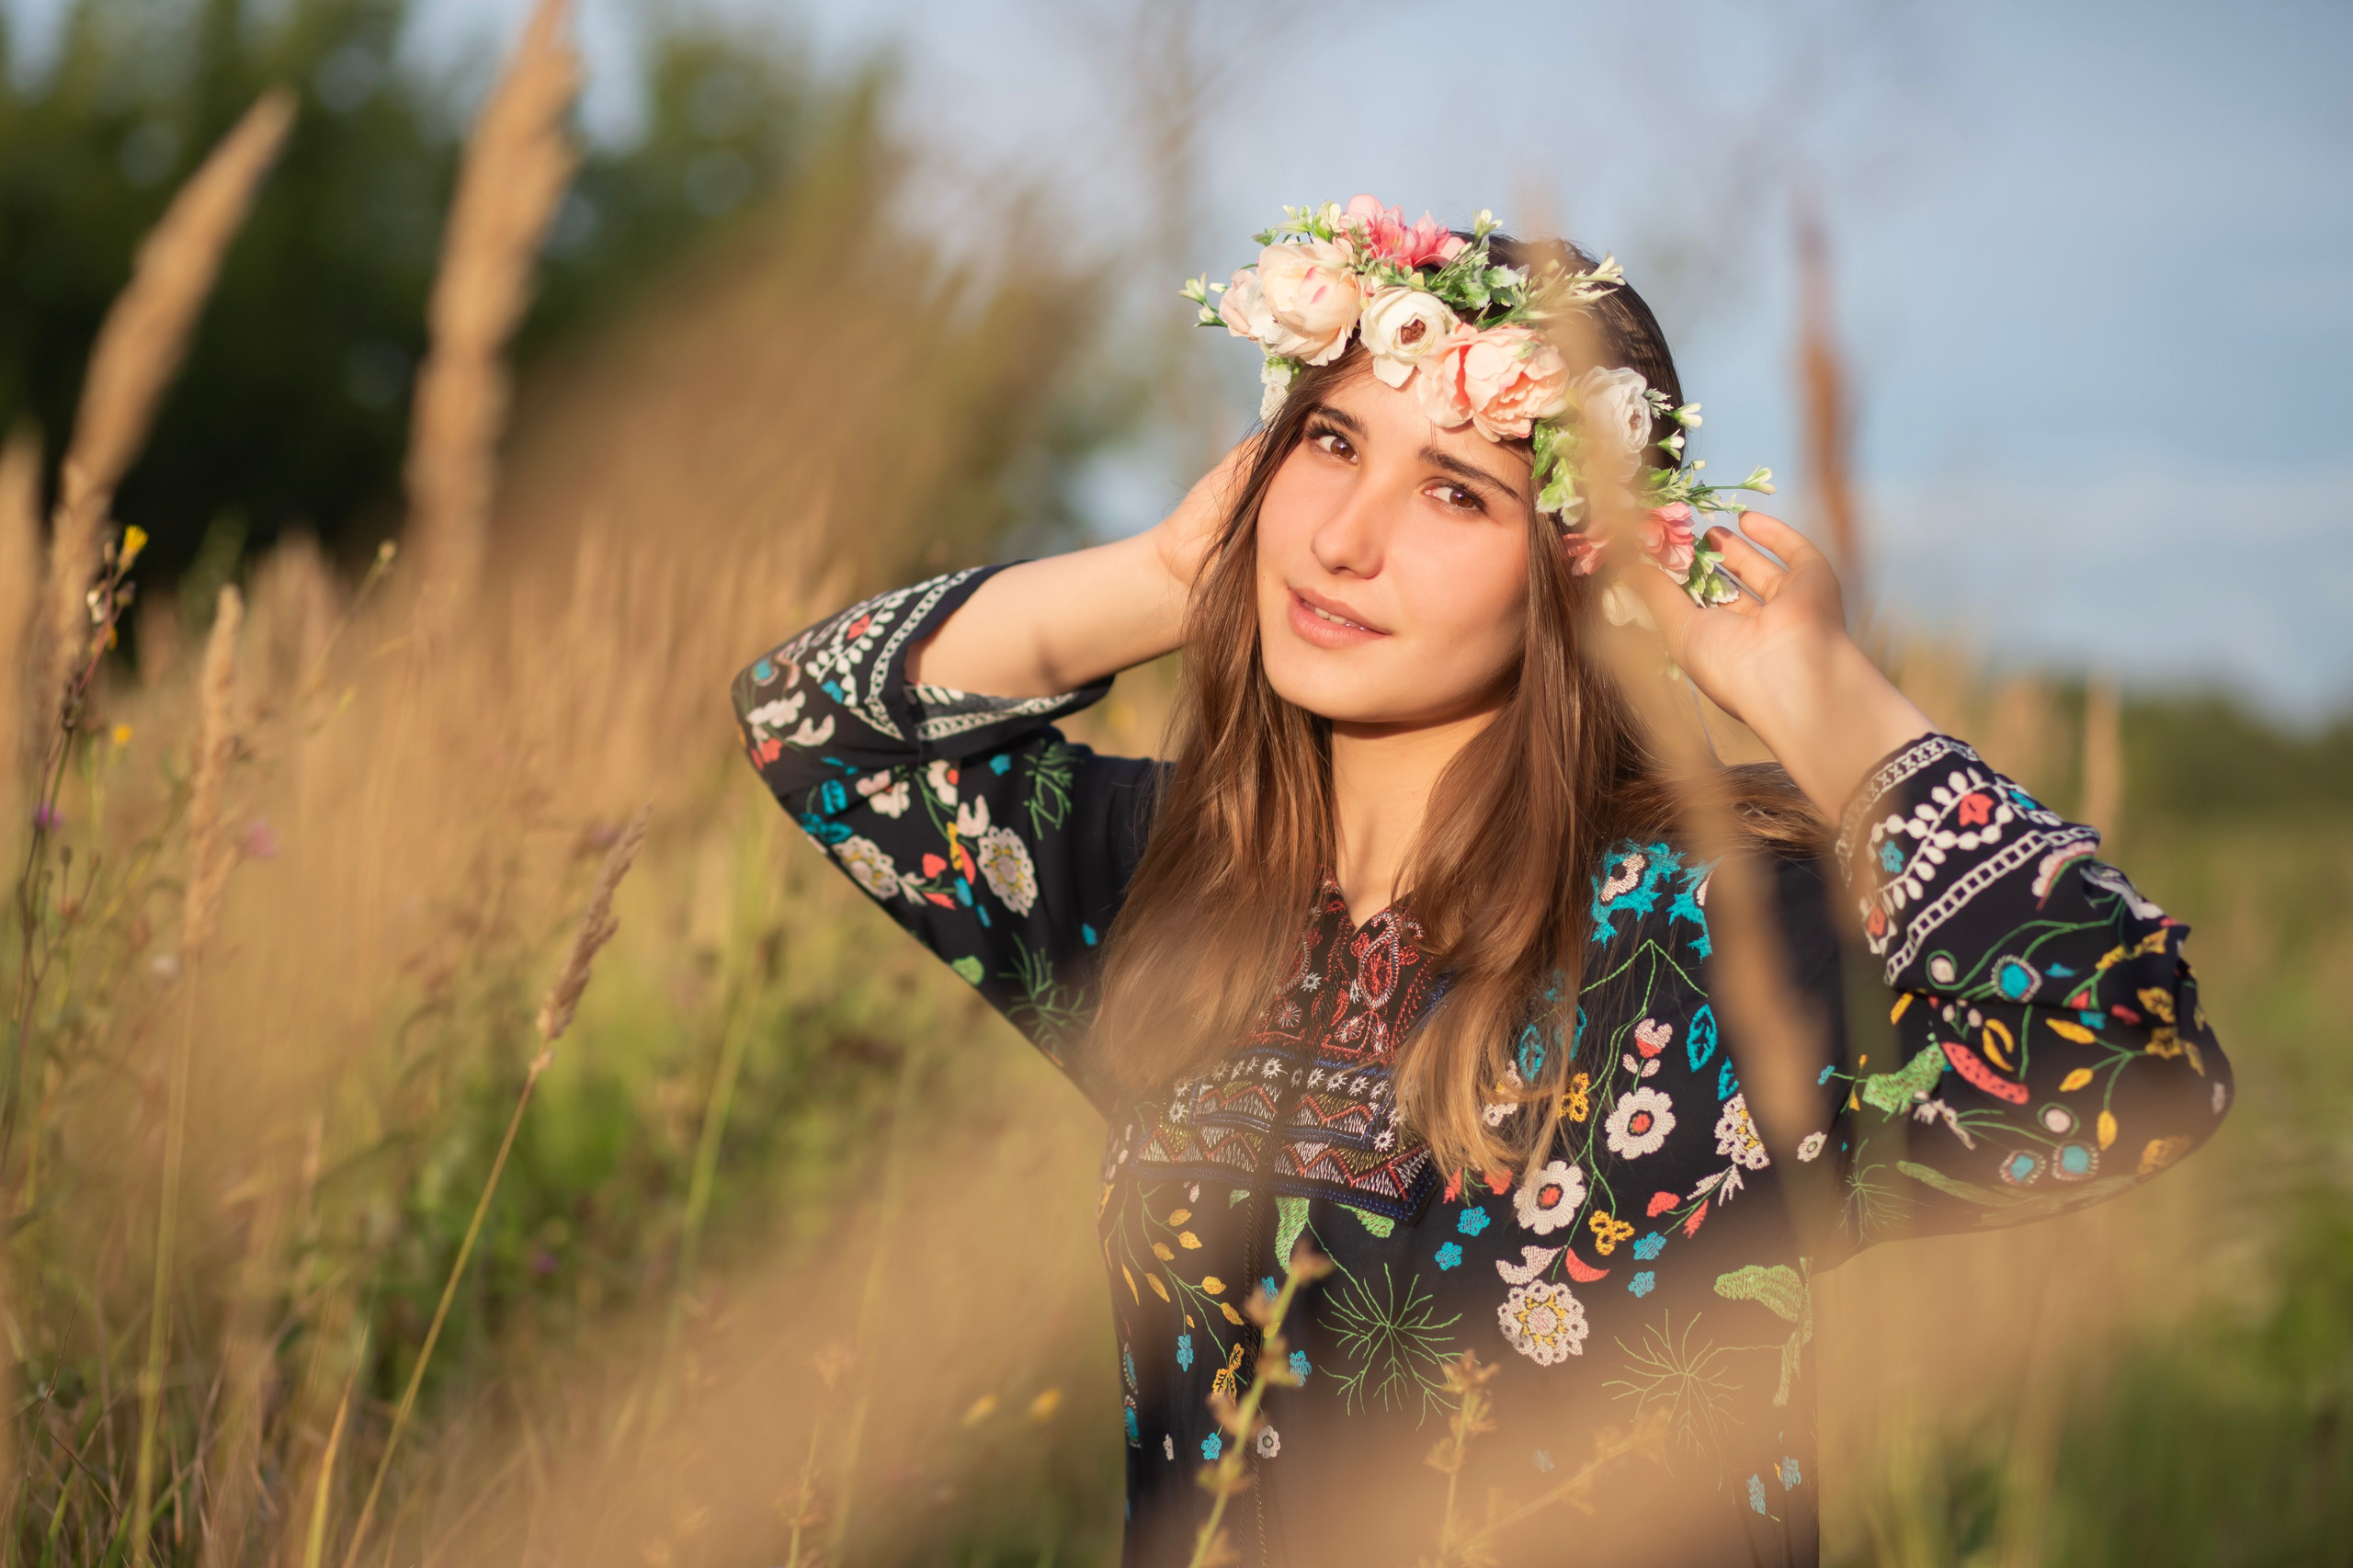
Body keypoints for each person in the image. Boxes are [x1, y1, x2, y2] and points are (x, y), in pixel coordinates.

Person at [732, 197, 2229, 1568]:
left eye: (1456, 492)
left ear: (1579, 564)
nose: (1344, 540)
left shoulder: (1717, 935)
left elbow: (2134, 1057)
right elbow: (814, 724)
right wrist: (1173, 570)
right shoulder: (1171, 879)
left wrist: (1810, 686)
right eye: (1330, 444)